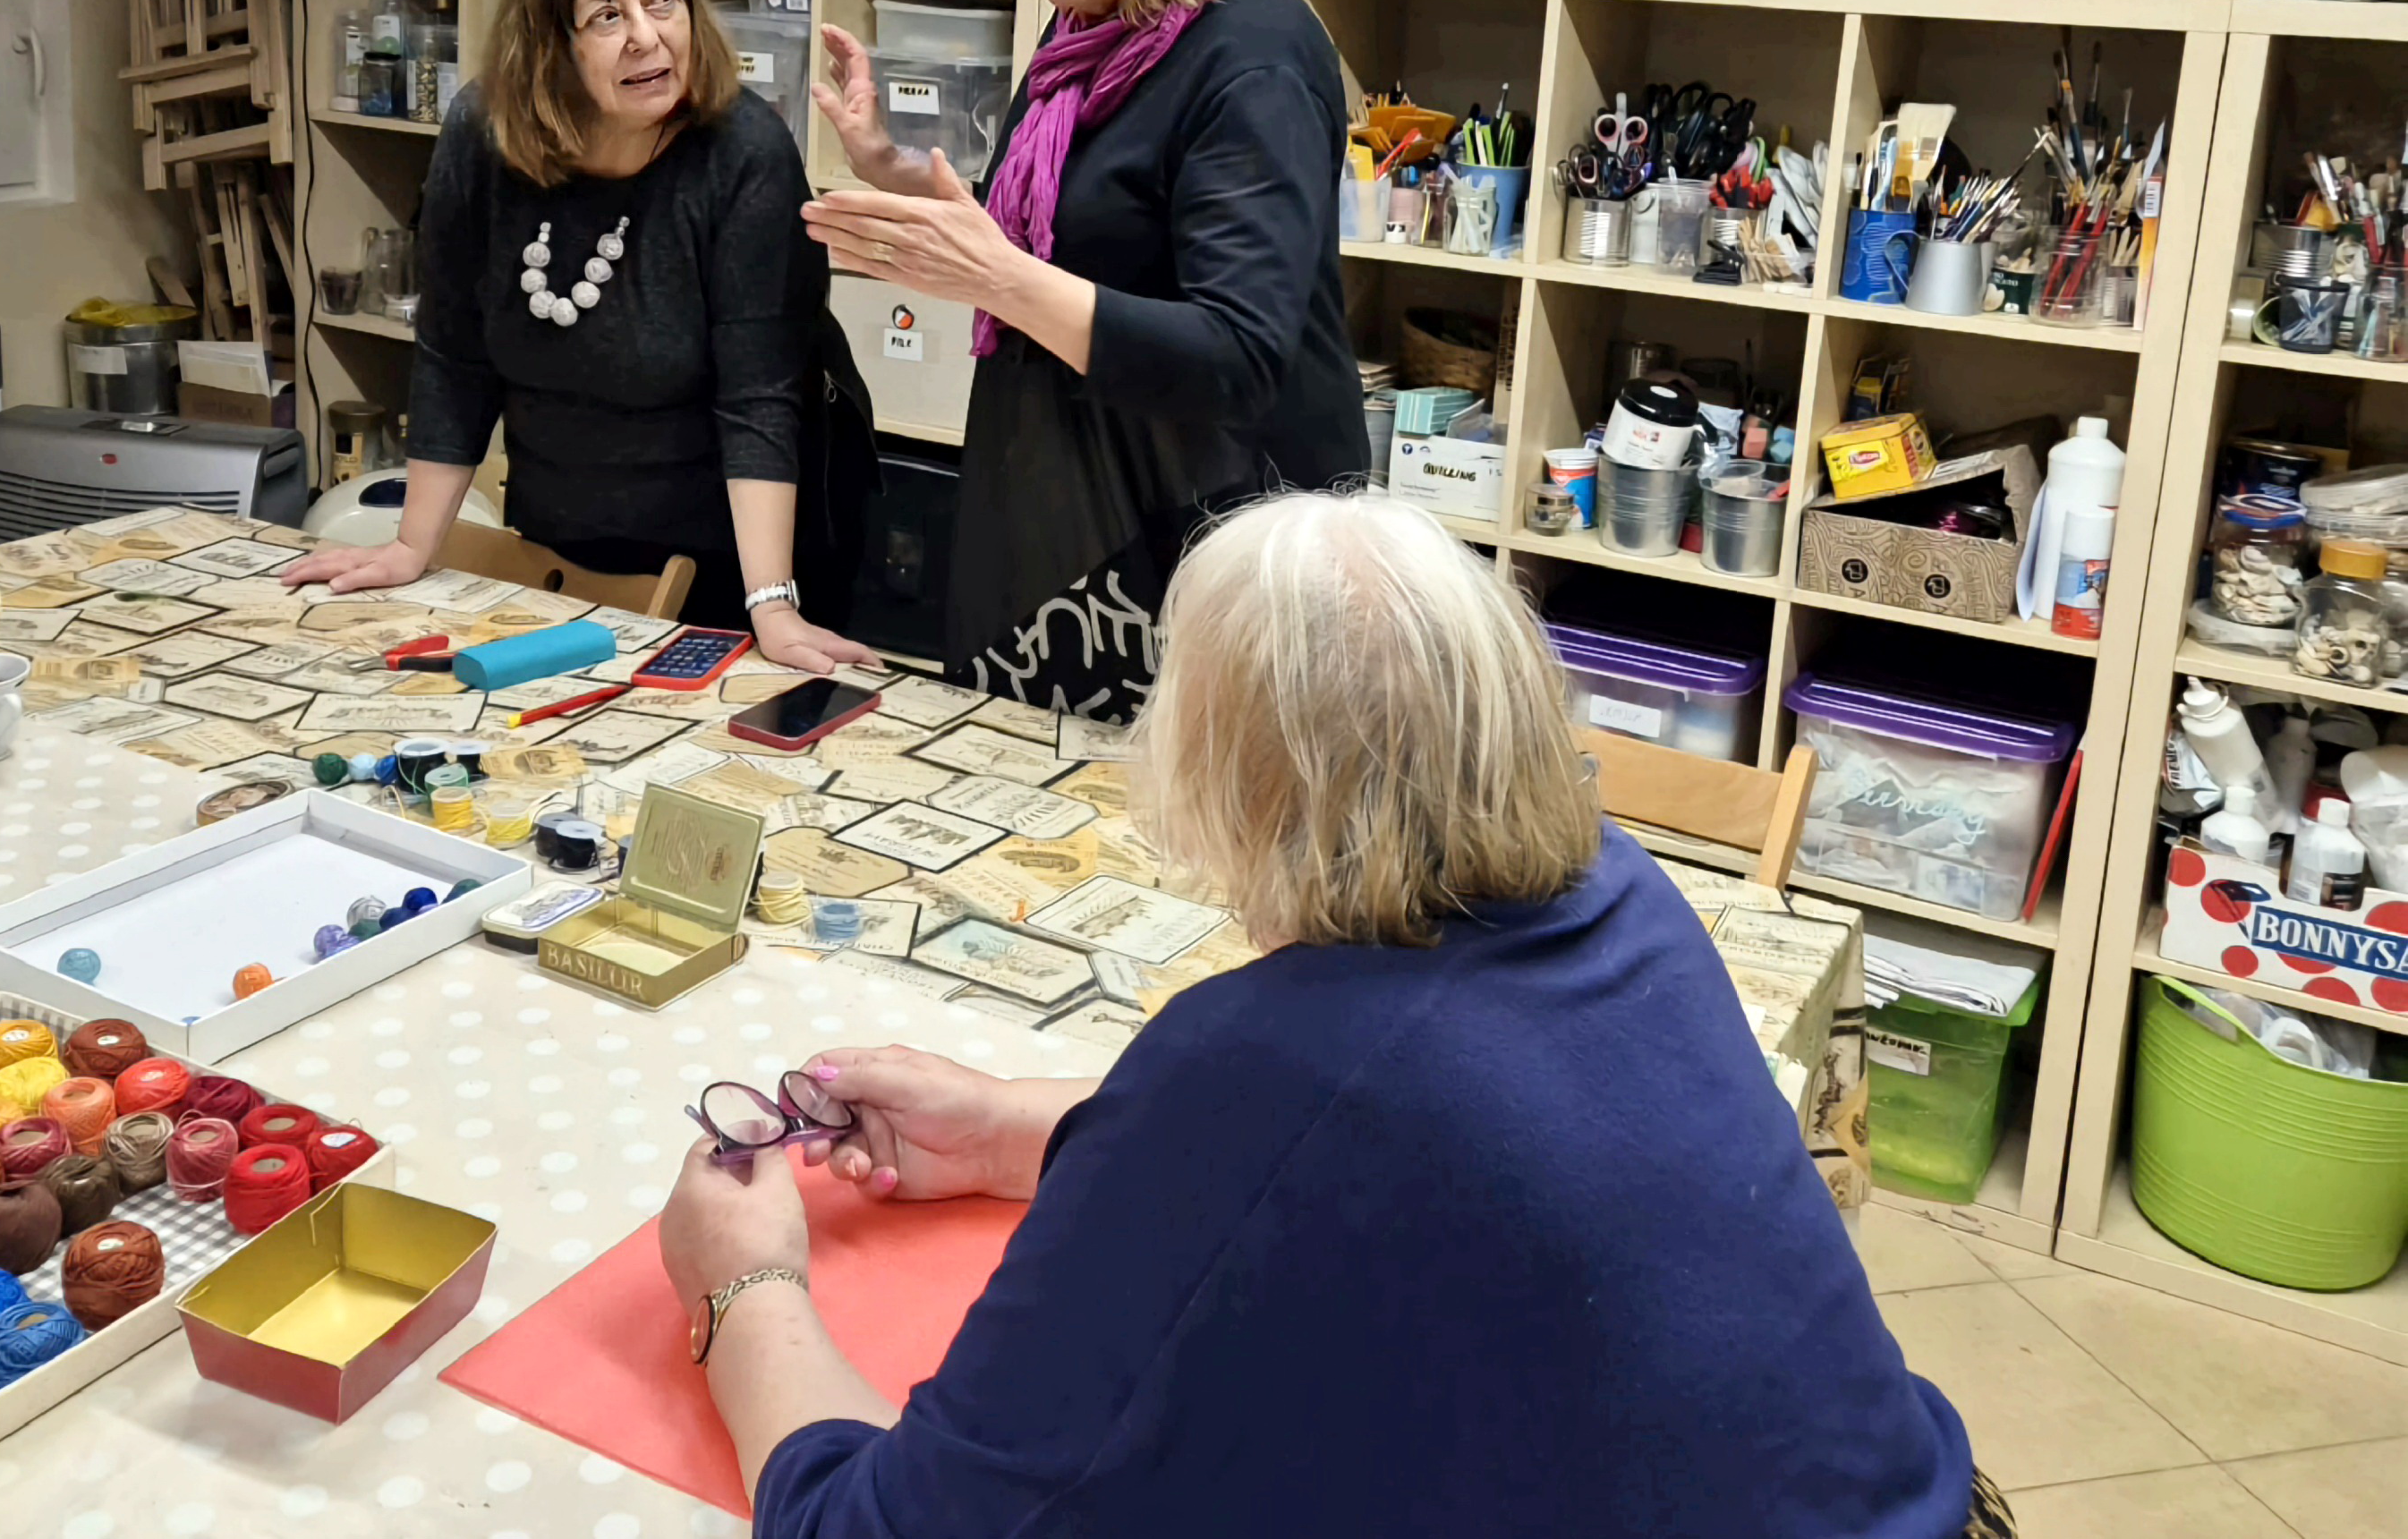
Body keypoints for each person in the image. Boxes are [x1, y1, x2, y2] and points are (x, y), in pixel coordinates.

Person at [659, 490, 2002, 1539]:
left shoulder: (1259, 1060)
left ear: (1220, 780)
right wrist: (1016, 1128)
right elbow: (1393, 1151)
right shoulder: (1623, 891)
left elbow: (879, 1528)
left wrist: (741, 1285)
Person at [804, 0, 1368, 719]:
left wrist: (993, 279)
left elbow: (1239, 356)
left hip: (1204, 560)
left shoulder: (1256, 54)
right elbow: (1052, 235)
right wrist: (889, 167)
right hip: (1060, 529)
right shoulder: (1090, 33)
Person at [282, 0, 871, 668]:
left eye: (662, 0)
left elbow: (759, 398)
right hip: (557, 534)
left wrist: (774, 607)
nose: (647, 36)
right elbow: (455, 356)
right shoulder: (482, 137)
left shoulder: (744, 153)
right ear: (547, 47)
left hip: (740, 552)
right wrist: (410, 546)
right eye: (606, 16)